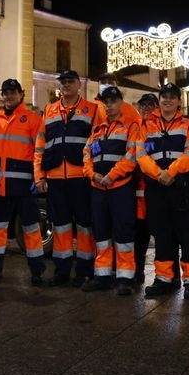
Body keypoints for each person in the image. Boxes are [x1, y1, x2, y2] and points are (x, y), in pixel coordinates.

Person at [0, 79, 46, 285]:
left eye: (12, 92)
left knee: (31, 229)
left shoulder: (32, 119)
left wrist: (38, 176)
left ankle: (37, 272)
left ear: (21, 94)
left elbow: (39, 151)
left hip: (24, 187)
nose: (8, 96)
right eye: (5, 92)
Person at [34, 69, 99, 287]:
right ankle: (61, 270)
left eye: (71, 81)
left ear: (79, 85)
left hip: (80, 176)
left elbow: (98, 143)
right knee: (60, 226)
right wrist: (39, 176)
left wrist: (93, 173)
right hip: (55, 177)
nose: (66, 85)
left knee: (84, 226)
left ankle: (85, 270)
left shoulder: (92, 110)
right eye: (63, 82)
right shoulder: (49, 110)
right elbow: (40, 146)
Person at [137, 83, 189, 299]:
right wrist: (158, 174)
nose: (168, 100)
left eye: (172, 97)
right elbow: (140, 155)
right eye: (164, 96)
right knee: (162, 235)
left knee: (187, 234)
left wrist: (170, 173)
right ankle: (164, 279)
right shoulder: (147, 125)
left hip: (181, 188)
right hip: (157, 188)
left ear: (179, 101)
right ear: (160, 99)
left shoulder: (188, 125)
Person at [82, 86, 140, 295]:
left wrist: (111, 176)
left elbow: (132, 155)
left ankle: (125, 278)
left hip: (120, 188)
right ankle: (103, 275)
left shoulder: (130, 126)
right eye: (106, 101)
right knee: (101, 234)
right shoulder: (97, 130)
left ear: (121, 103)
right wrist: (93, 175)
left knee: (123, 234)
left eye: (113, 101)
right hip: (98, 188)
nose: (108, 105)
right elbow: (86, 155)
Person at [133, 93, 159, 283]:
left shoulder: (161, 127)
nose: (147, 108)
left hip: (158, 188)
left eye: (151, 105)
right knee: (140, 236)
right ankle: (138, 270)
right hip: (138, 192)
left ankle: (168, 274)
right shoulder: (135, 128)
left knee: (163, 235)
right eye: (144, 105)